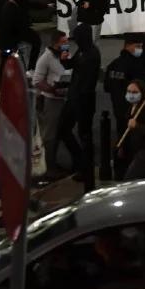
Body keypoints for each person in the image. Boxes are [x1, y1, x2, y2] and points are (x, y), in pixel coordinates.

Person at [32, 30, 81, 179]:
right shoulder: (45, 58)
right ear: (55, 43)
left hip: (66, 99)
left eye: (67, 42)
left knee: (63, 131)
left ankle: (65, 162)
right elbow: (36, 81)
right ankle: (49, 167)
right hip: (52, 101)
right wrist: (53, 90)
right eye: (63, 42)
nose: (67, 44)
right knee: (51, 135)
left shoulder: (65, 55)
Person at [61, 23, 100, 183]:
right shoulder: (83, 51)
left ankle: (86, 168)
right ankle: (79, 161)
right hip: (75, 96)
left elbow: (88, 82)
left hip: (83, 100)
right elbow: (73, 65)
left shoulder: (91, 54)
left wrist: (79, 98)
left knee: (84, 135)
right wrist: (64, 59)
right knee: (64, 129)